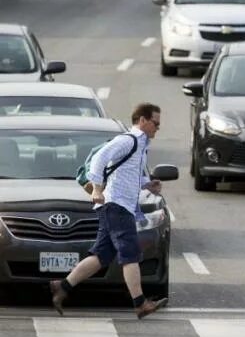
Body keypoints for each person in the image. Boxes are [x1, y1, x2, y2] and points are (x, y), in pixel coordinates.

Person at [50, 103, 168, 319]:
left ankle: (63, 287)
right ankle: (140, 304)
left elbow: (126, 175)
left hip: (117, 205)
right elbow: (99, 159)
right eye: (155, 123)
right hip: (116, 205)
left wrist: (146, 184)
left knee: (102, 255)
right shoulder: (128, 140)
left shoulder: (140, 145)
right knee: (130, 253)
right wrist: (96, 189)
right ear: (142, 120)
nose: (157, 128)